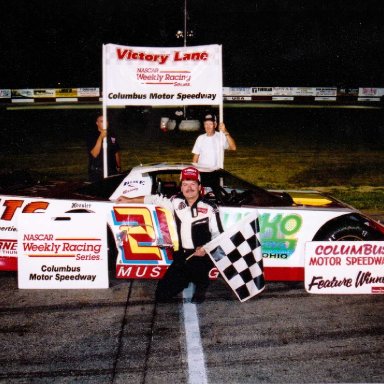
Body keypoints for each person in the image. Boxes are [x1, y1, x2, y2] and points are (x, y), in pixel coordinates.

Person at [116, 166, 223, 304]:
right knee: (161, 295)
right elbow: (154, 199)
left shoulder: (210, 207)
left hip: (201, 257)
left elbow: (218, 234)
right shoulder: (175, 201)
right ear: (181, 186)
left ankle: (201, 282)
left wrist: (205, 248)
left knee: (198, 291)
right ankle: (185, 278)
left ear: (199, 186)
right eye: (185, 184)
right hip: (182, 257)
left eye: (192, 184)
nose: (189, 188)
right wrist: (128, 200)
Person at [87, 114, 121, 182]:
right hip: (97, 172)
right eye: (102, 121)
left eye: (106, 121)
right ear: (97, 123)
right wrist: (101, 137)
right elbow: (94, 154)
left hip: (112, 171)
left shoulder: (112, 135)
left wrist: (118, 166)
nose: (104, 123)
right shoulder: (92, 135)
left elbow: (116, 152)